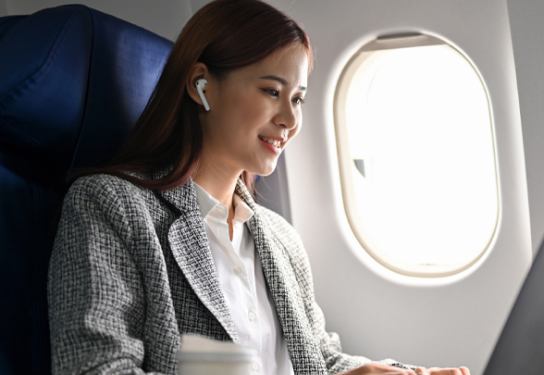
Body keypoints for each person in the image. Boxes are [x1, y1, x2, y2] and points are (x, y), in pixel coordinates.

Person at [47, 1, 471, 374]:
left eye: (299, 98)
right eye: (272, 91)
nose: (290, 119)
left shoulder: (279, 238)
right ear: (202, 85)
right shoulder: (111, 206)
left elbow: (316, 359)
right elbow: (97, 368)